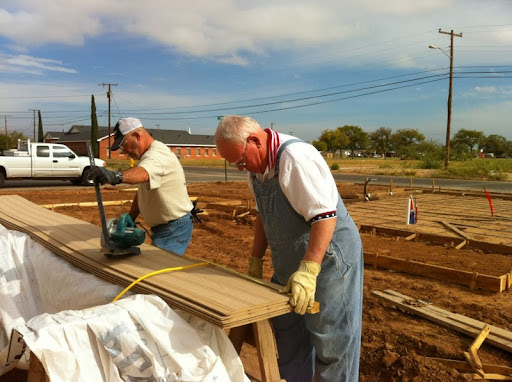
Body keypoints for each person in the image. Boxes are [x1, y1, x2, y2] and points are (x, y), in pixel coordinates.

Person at [215, 115, 363, 382]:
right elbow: (264, 214)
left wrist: (308, 271)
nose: (240, 168)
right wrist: (255, 260)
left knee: (333, 343)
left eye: (240, 160)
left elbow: (325, 218)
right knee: (288, 336)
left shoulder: (295, 159)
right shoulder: (256, 169)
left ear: (255, 141)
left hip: (328, 261)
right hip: (290, 263)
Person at [88, 117, 194, 256]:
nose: (125, 152)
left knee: (157, 270)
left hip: (174, 228)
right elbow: (143, 190)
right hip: (168, 226)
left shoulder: (157, 156)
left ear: (137, 136)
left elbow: (142, 174)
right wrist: (131, 217)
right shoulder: (149, 156)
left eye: (124, 145)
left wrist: (115, 176)